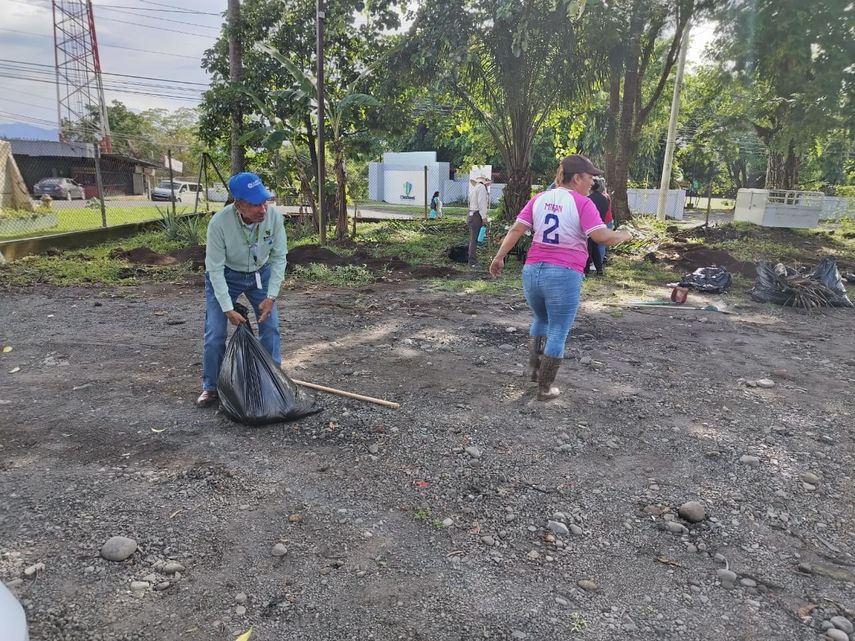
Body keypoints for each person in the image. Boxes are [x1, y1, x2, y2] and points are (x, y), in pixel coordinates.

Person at [488, 154, 631, 401]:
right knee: (559, 331)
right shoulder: (582, 203)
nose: (593, 183)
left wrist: (499, 257)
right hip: (563, 273)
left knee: (541, 318)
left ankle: (535, 371)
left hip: (532, 271)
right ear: (576, 178)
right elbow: (601, 237)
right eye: (590, 178)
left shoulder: (539, 199)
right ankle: (545, 388)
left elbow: (517, 229)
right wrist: (624, 235)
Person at [196, 172, 288, 408]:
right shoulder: (219, 223)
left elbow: (279, 258)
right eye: (255, 204)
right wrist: (227, 309)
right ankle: (211, 387)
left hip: (261, 273)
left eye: (265, 201)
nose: (262, 209)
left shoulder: (274, 217)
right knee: (215, 333)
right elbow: (214, 269)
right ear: (238, 204)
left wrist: (271, 296)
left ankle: (273, 380)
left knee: (271, 327)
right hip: (226, 275)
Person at [588, 178, 614, 268]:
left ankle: (595, 263)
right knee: (600, 244)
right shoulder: (605, 197)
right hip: (605, 221)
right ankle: (599, 263)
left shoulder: (591, 198)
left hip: (600, 222)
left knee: (595, 245)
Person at [467, 175, 491, 267]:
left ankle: (472, 260)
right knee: (474, 239)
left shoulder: (475, 188)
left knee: (473, 238)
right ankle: (472, 261)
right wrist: (484, 218)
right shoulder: (481, 188)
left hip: (471, 214)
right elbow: (482, 204)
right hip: (477, 215)